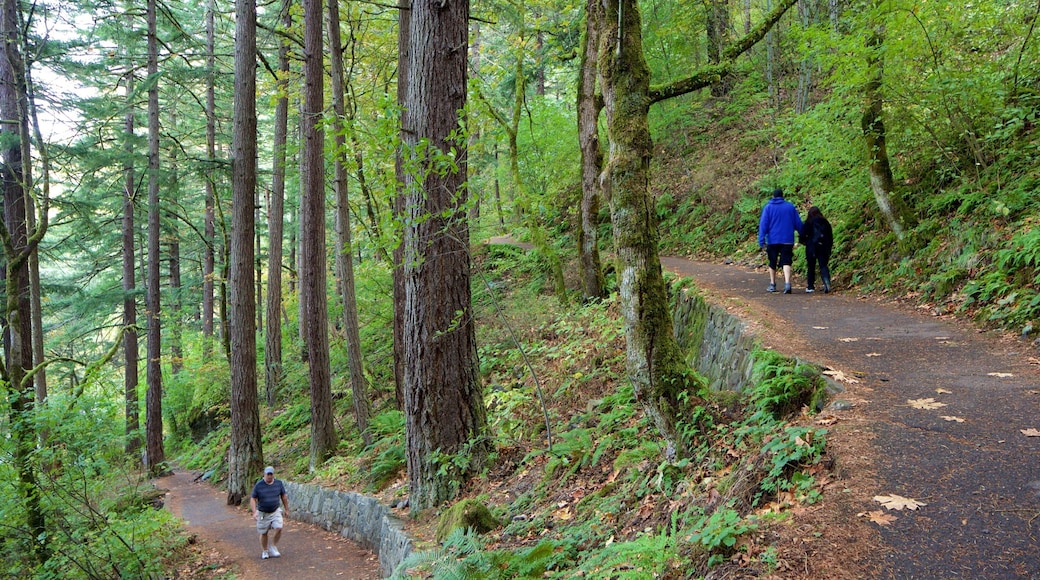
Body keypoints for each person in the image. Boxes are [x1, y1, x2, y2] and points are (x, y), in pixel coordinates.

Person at [757, 188, 803, 294]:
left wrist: (761, 240)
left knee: (772, 261)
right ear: (783, 196)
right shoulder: (790, 207)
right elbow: (798, 223)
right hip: (787, 239)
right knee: (786, 260)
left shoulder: (768, 208)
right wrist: (803, 235)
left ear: (773, 196)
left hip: (772, 240)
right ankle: (787, 284)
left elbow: (763, 225)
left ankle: (773, 284)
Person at [250, 465, 290, 560]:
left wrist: (287, 509)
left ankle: (273, 546)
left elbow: (283, 496)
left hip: (275, 510)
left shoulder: (278, 484)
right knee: (264, 533)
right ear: (264, 475)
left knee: (279, 528)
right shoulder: (259, 485)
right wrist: (254, 512)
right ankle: (265, 550)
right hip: (263, 513)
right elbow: (253, 499)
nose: (269, 476)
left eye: (271, 474)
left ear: (273, 475)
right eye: (268, 474)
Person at [800, 205, 833, 293]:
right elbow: (830, 236)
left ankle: (810, 286)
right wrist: (829, 246)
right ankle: (826, 281)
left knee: (811, 266)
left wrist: (805, 242)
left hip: (811, 247)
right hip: (823, 247)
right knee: (823, 265)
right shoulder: (825, 222)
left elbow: (802, 235)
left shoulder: (809, 222)